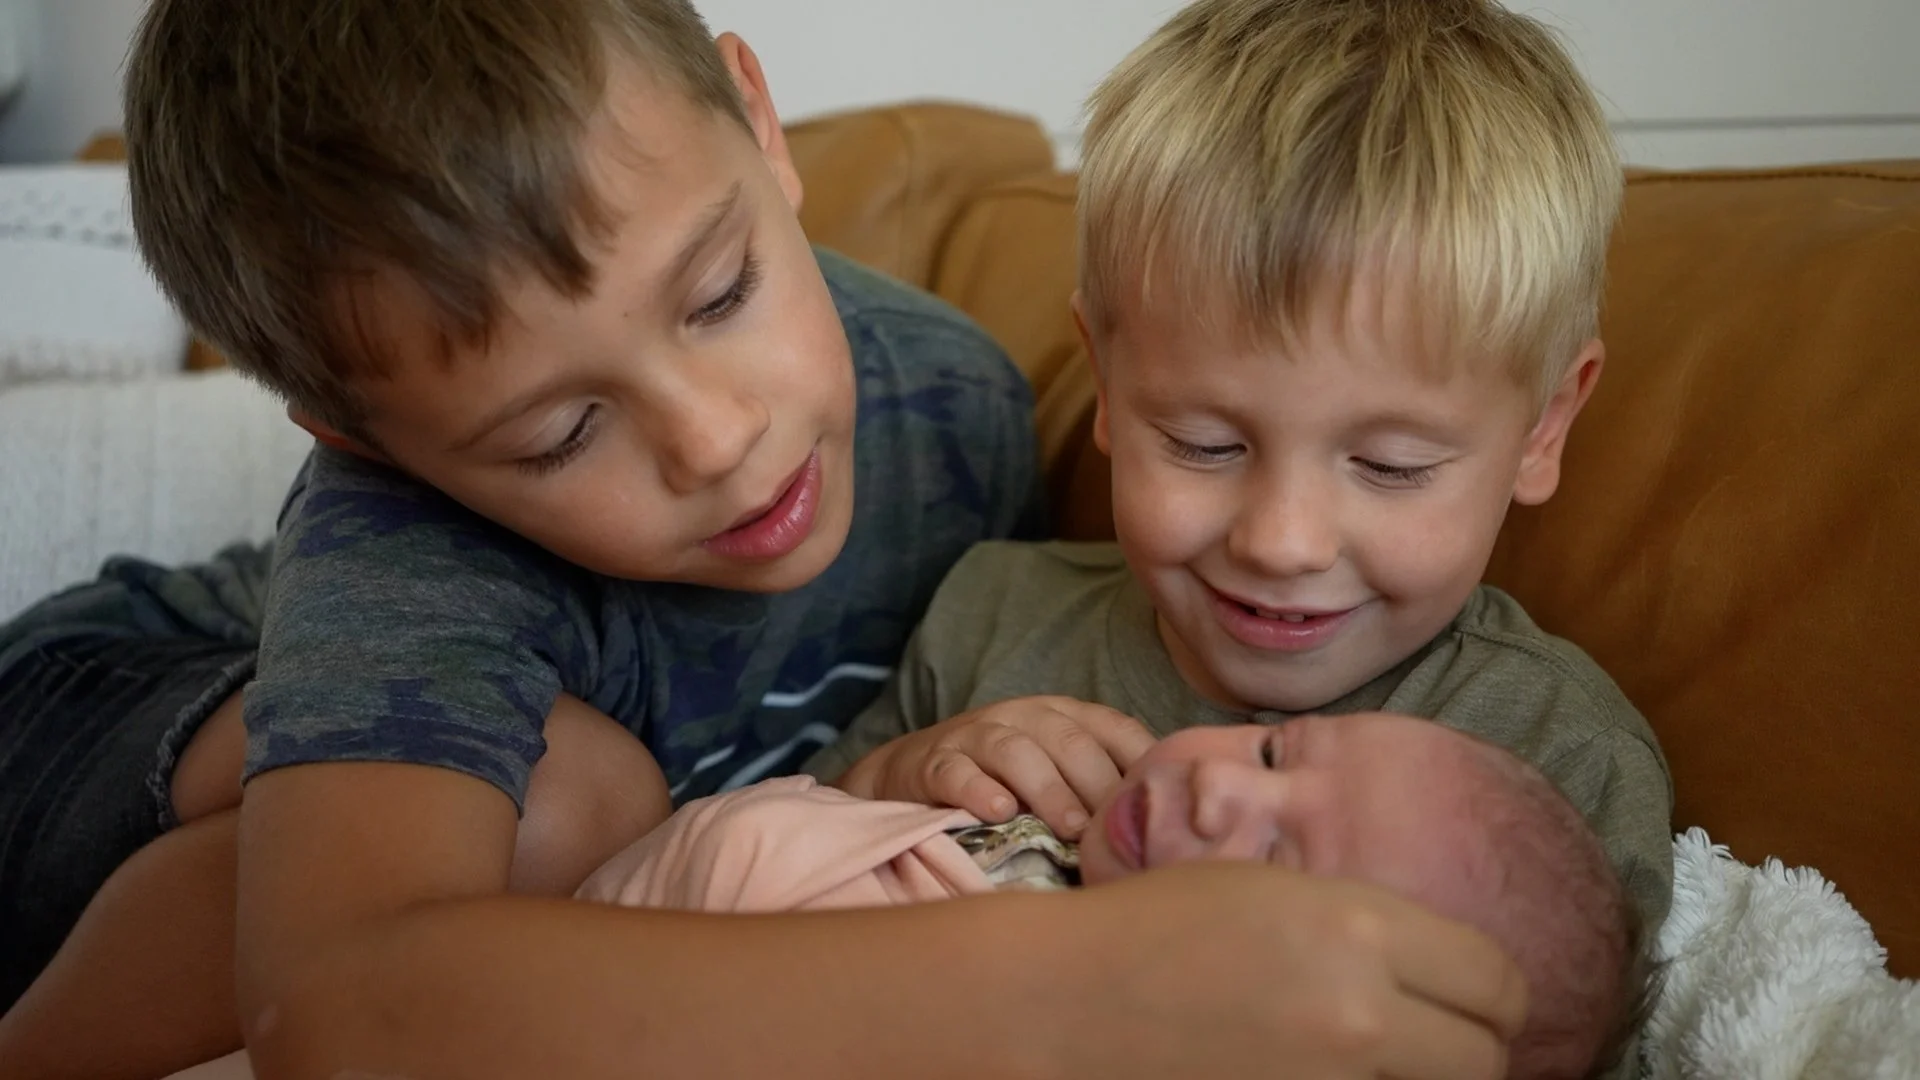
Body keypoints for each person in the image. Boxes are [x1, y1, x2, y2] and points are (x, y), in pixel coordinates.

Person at [0, 2, 1527, 1079]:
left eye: (722, 293)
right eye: (559, 434)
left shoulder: (950, 401)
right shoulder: (400, 536)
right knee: (569, 803)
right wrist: (1053, 994)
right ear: (358, 438)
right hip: (95, 720)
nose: (721, 439)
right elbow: (340, 1015)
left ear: (758, 118)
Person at [809, 0, 1674, 1066]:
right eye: (1207, 443)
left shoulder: (1554, 747)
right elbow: (767, 870)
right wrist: (904, 775)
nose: (1283, 540)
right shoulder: (991, 616)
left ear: (1544, 427)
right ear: (1113, 388)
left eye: (1391, 466)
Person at [166, 713, 1646, 1080]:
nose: (1218, 788)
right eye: (1272, 747)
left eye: (1278, 862)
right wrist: (918, 758)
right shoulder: (1047, 814)